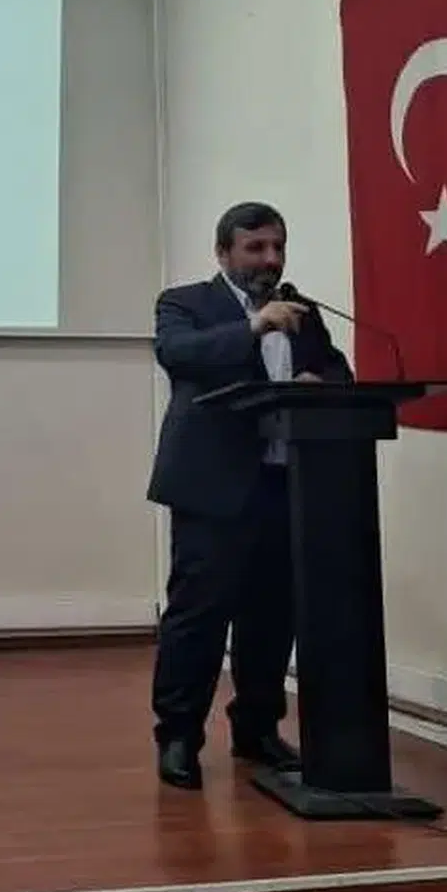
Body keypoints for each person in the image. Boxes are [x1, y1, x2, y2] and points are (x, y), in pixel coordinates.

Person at [146, 201, 354, 790]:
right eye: (255, 247)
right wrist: (254, 327)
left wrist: (322, 382)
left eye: (277, 247)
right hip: (212, 489)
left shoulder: (301, 310)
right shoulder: (186, 303)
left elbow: (338, 370)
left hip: (286, 485)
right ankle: (178, 736)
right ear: (223, 253)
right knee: (198, 616)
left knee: (272, 616)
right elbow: (178, 354)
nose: (270, 259)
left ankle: (257, 729)